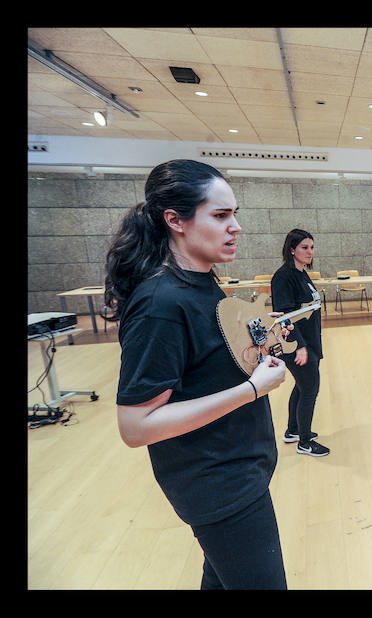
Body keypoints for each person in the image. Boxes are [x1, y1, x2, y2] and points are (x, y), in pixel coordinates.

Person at [106, 159, 289, 589]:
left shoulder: (202, 281)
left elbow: (205, 367)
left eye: (235, 214)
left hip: (239, 468)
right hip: (218, 484)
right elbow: (136, 426)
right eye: (221, 215)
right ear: (176, 221)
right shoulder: (160, 303)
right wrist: (251, 389)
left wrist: (258, 346)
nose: (236, 227)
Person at [271, 228, 329, 457]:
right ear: (292, 249)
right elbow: (284, 316)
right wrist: (300, 346)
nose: (310, 251)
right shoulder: (283, 277)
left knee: (302, 386)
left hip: (309, 342)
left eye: (312, 247)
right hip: (297, 346)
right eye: (304, 247)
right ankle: (304, 443)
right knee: (310, 390)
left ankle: (293, 430)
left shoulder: (302, 273)